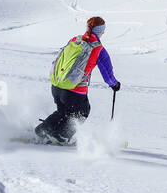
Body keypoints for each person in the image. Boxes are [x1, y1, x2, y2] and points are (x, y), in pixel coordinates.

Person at [35, 15, 120, 145]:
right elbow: (107, 75)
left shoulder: (75, 39)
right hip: (74, 91)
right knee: (82, 112)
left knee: (63, 111)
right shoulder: (98, 49)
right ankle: (63, 136)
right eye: (103, 30)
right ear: (100, 31)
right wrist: (115, 85)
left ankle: (43, 130)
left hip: (57, 86)